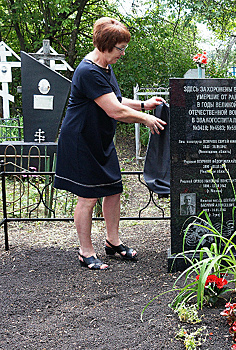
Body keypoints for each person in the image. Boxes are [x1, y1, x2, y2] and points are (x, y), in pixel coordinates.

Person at [54, 17, 167, 270]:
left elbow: (113, 98)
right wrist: (146, 118)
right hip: (82, 140)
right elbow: (114, 110)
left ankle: (112, 242)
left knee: (113, 190)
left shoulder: (104, 66)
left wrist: (142, 104)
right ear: (105, 45)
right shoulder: (88, 70)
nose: (122, 54)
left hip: (100, 139)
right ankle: (85, 252)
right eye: (120, 48)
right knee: (88, 197)